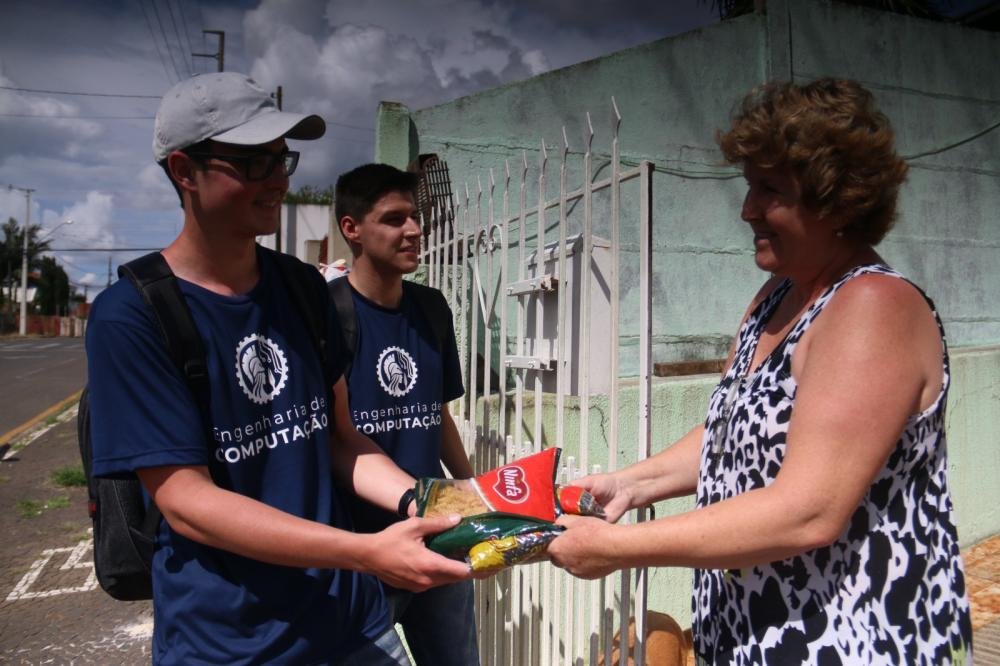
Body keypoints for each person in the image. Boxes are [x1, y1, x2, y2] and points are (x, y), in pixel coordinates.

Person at [547, 78, 973, 664]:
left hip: (850, 638)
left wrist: (618, 548)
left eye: (768, 190)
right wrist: (632, 484)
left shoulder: (873, 307)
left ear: (836, 200)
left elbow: (809, 510)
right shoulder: (776, 295)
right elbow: (731, 437)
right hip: (754, 631)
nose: (746, 210)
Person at [86, 72, 470, 665]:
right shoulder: (131, 317)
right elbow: (187, 501)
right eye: (252, 163)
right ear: (184, 171)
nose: (278, 181)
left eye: (281, 160)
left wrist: (437, 503)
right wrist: (364, 552)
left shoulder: (300, 286)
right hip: (233, 643)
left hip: (351, 622)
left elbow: (343, 439)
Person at [332, 163, 480, 666]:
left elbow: (435, 414)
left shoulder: (432, 309)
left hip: (440, 534)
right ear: (352, 229)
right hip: (361, 549)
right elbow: (331, 437)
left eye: (414, 216)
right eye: (394, 219)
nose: (414, 230)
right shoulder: (324, 314)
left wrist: (475, 493)